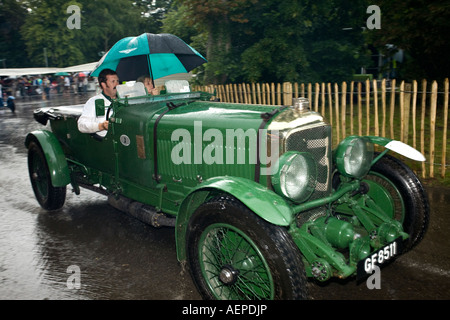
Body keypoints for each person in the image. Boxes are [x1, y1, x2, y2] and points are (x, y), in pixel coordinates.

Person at [77, 69, 119, 138]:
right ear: (104, 85)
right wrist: (101, 126)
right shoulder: (94, 102)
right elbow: (81, 125)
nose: (117, 85)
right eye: (113, 82)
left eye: (117, 81)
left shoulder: (125, 99)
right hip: (107, 141)